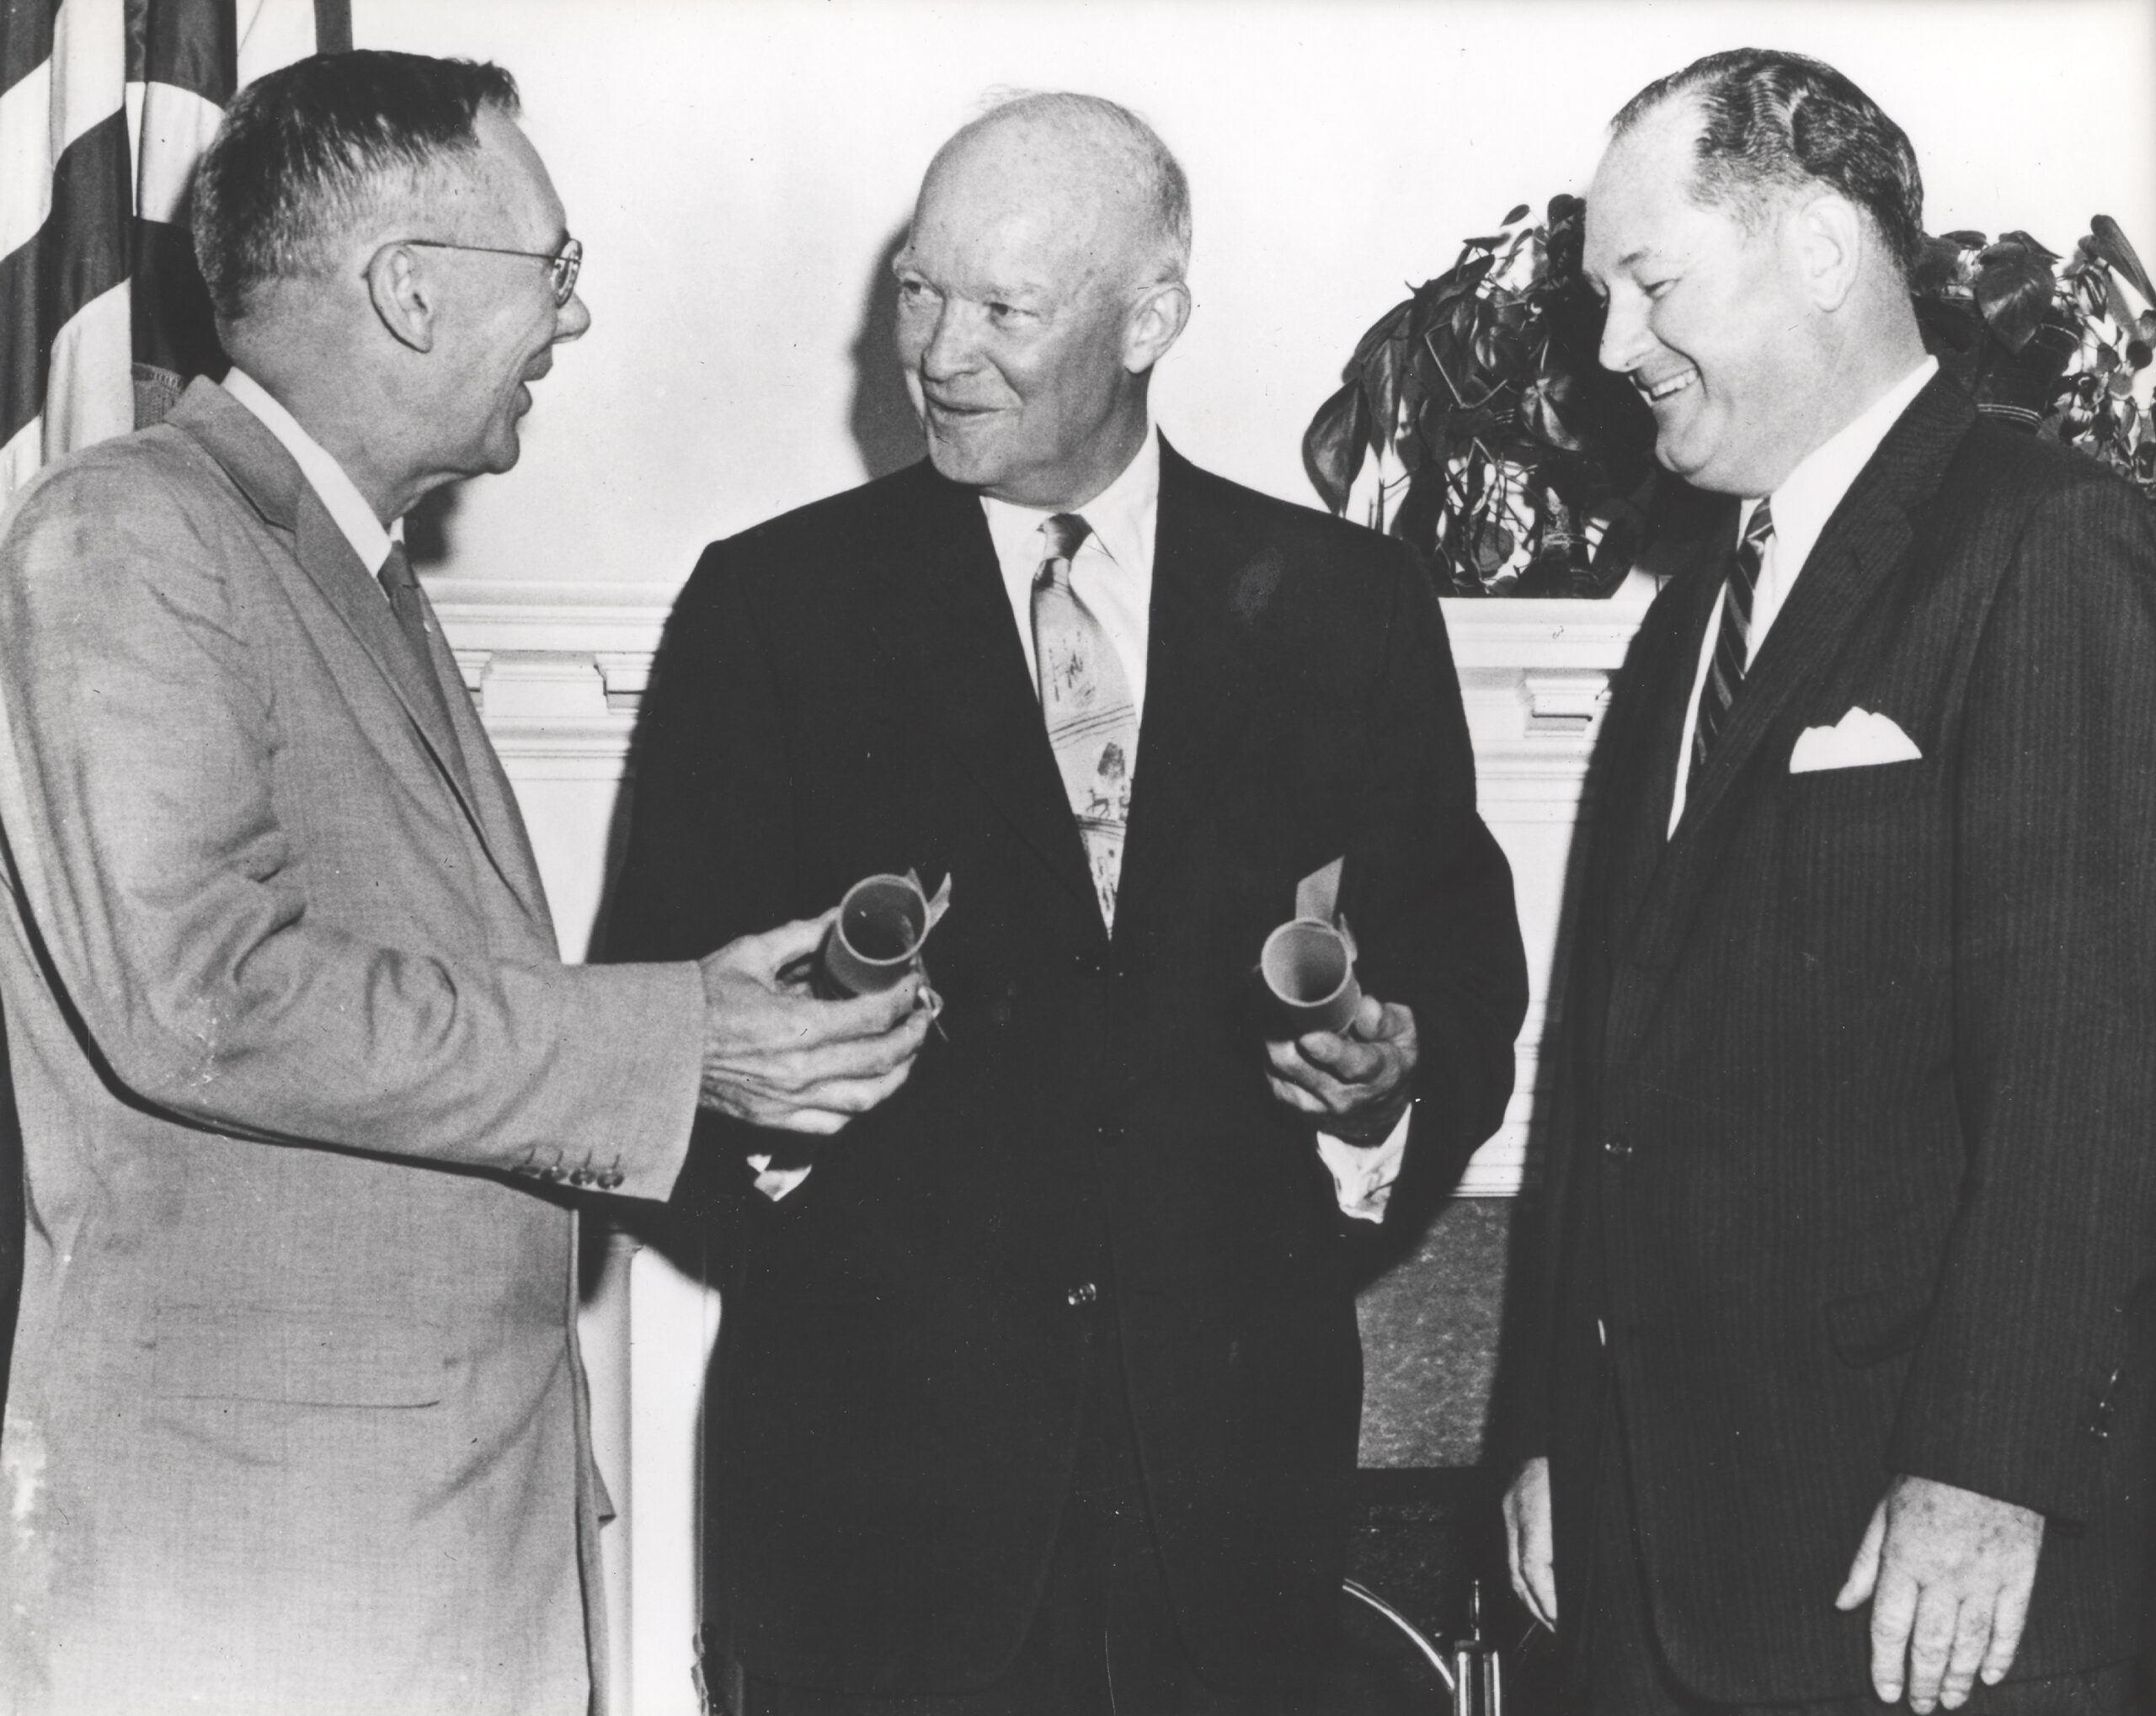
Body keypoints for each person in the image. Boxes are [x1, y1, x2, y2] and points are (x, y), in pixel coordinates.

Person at [0, 51, 927, 1716]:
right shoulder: (133, 534)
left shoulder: (349, 573)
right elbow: (204, 994)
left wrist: (719, 1044)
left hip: (427, 1555)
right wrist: (671, 1043)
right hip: (261, 1579)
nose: (571, 320)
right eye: (552, 269)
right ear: (409, 290)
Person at [607, 91, 1527, 1716]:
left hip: (1229, 1521)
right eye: (918, 288)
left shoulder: (1349, 608)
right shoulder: (771, 604)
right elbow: (647, 1030)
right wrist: (781, 1112)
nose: (938, 350)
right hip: (876, 1523)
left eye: (1006, 310)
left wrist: (1384, 1093)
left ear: (1152, 316)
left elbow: (1460, 979)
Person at [1497, 48, 2156, 1716]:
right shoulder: (1689, 621)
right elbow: (1605, 1069)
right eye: (1596, 297)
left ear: (1815, 249)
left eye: (1649, 284)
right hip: (1650, 1557)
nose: (1608, 347)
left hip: (1913, 1576)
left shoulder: (2046, 543)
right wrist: (1547, 1429)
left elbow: (2086, 1063)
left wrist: (1984, 1463)